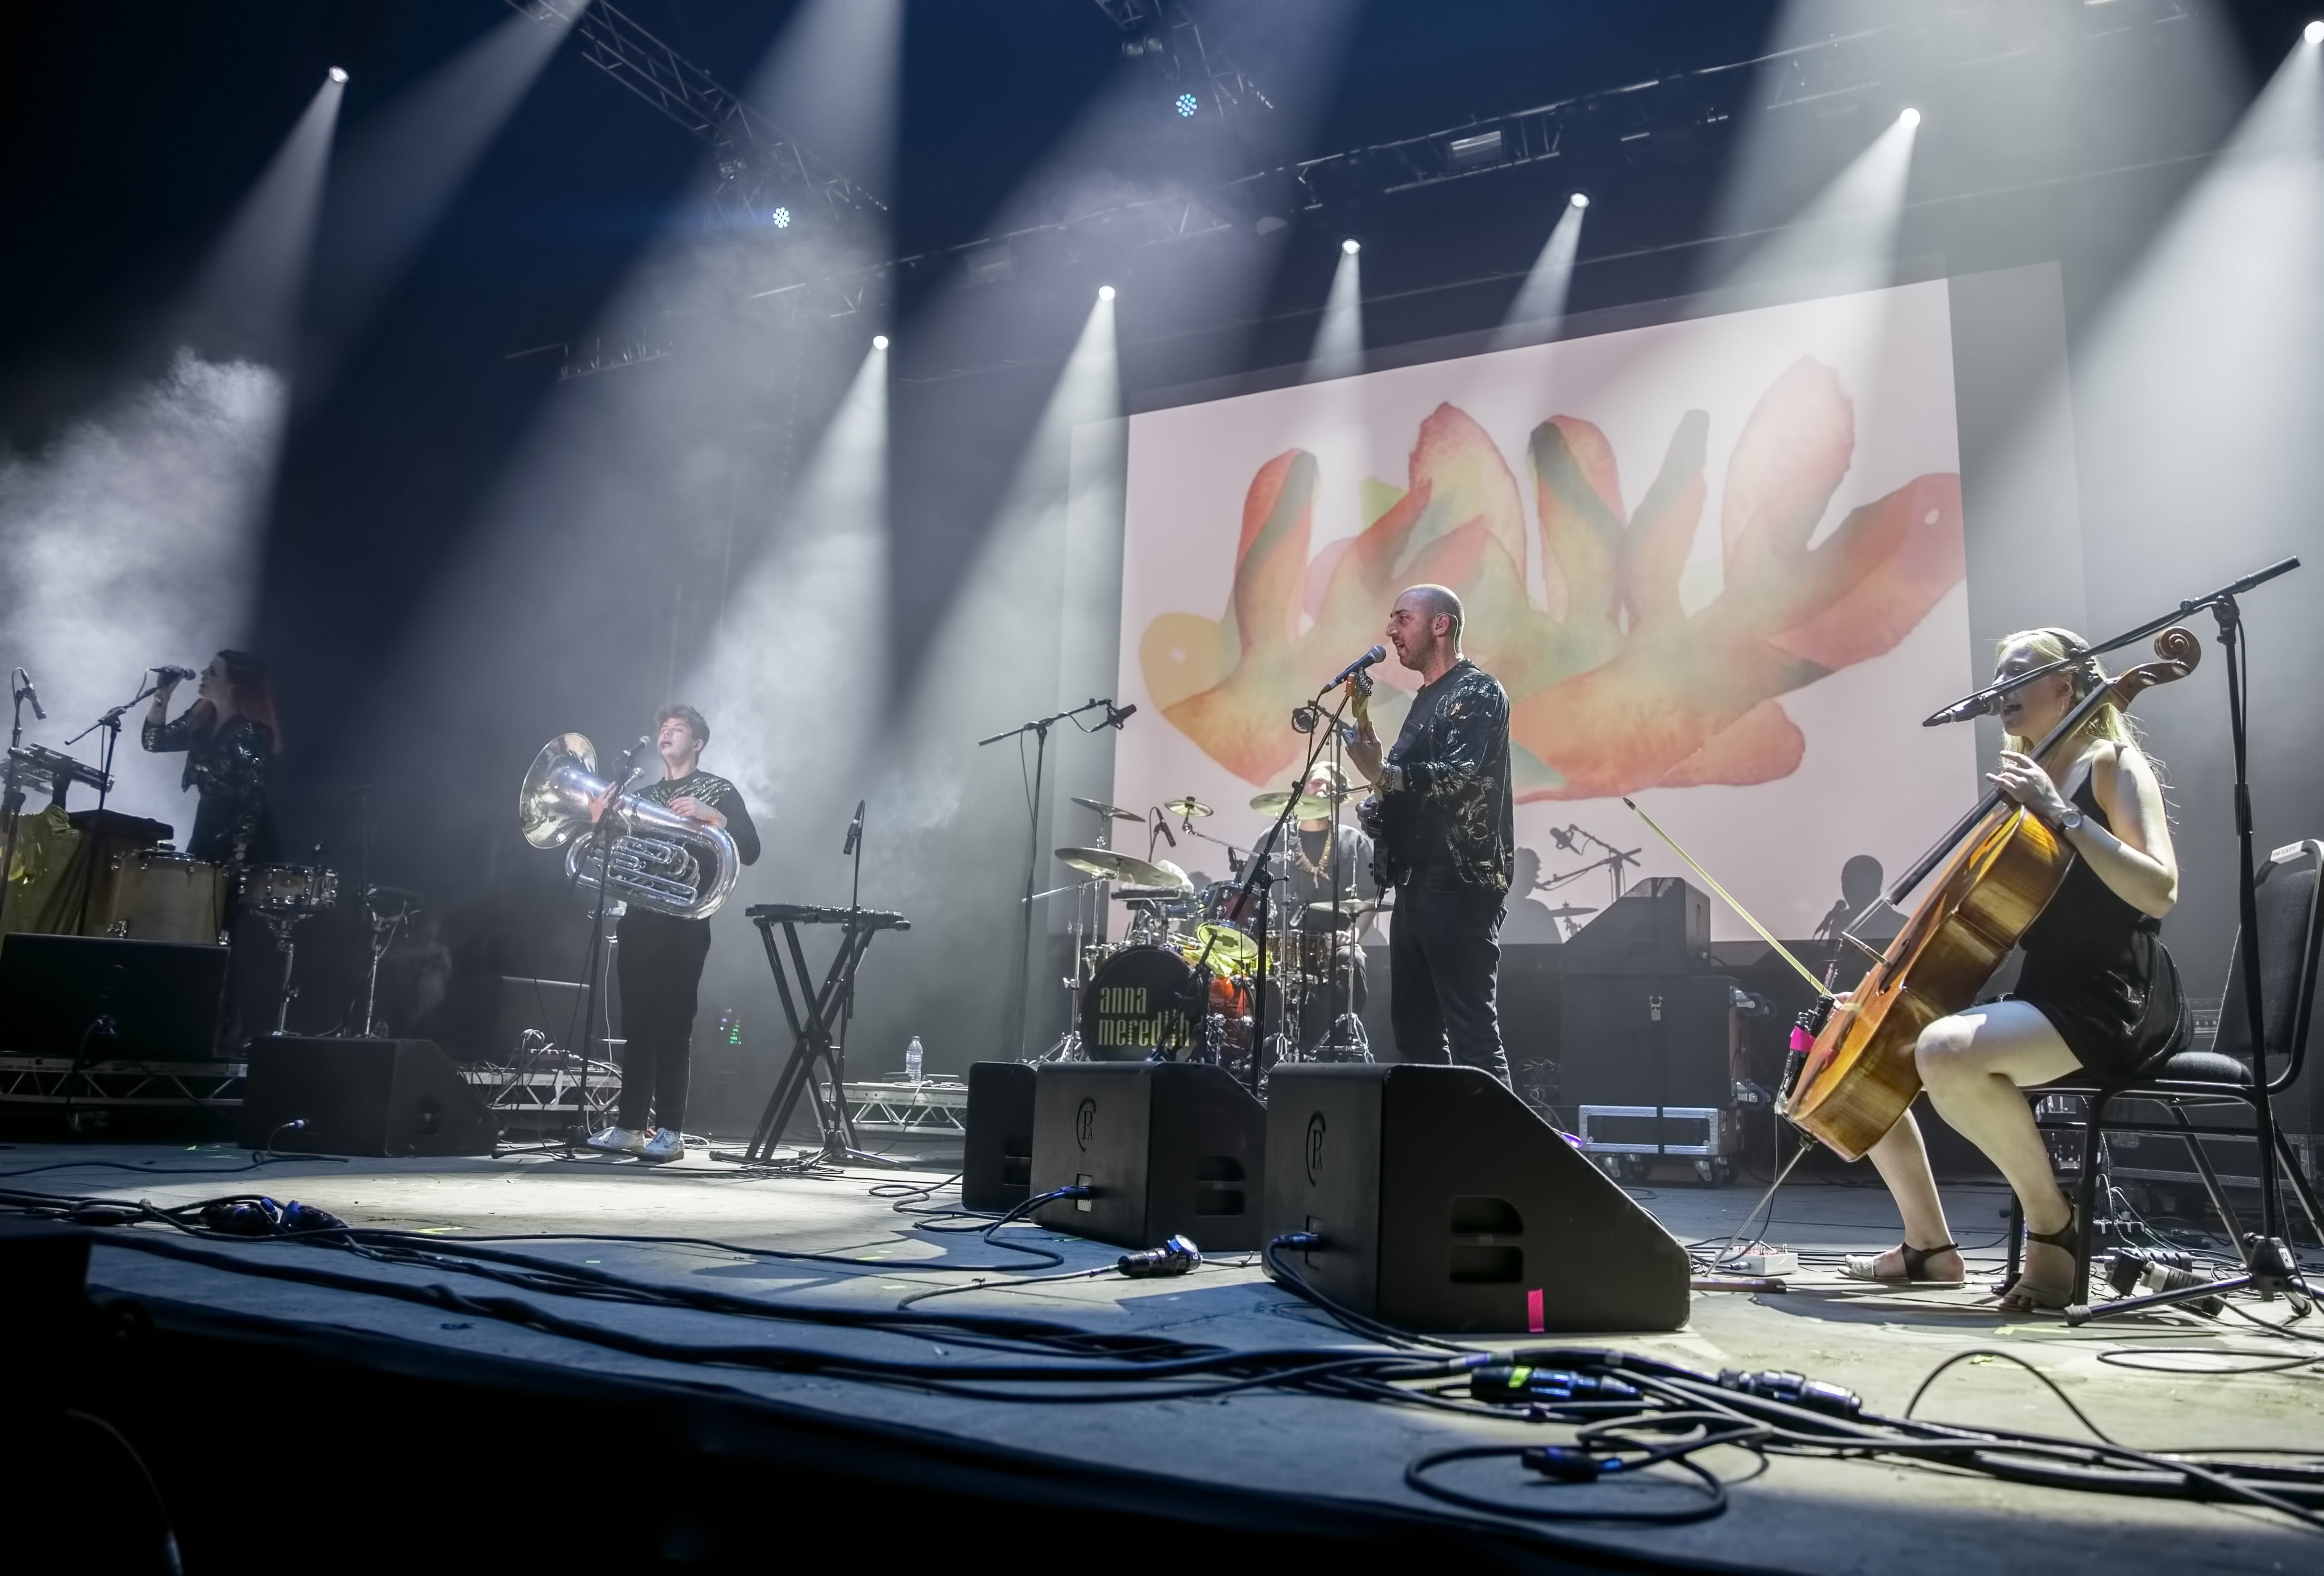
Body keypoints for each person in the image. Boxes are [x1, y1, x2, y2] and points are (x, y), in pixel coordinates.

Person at [1845, 628, 2185, 1312]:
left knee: (1944, 1051)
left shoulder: (2107, 764)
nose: (2000, 689)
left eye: (2020, 674)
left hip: (2111, 997)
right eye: (1997, 675)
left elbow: (2159, 890)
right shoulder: (2027, 785)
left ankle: (2054, 1227)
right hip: (2047, 994)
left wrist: (2061, 814)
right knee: (1859, 1044)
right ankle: (1928, 1246)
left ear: (2067, 686)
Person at [1343, 585, 1514, 1082]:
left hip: (1458, 882)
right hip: (1416, 882)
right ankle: (1441, 1144)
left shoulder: (1478, 691)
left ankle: (1500, 1156)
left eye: (1402, 618)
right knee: (1415, 1033)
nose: (1390, 630)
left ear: (1440, 625)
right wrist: (1378, 803)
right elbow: (1403, 787)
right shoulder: (1426, 701)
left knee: (1472, 1035)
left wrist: (1386, 777)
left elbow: (1462, 775)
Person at [587, 703, 761, 1162]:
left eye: (677, 729)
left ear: (697, 743)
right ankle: (629, 1126)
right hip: (640, 919)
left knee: (672, 1026)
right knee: (637, 1027)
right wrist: (600, 819)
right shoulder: (641, 794)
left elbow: (752, 846)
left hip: (685, 921)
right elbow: (618, 851)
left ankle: (670, 1130)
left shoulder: (718, 789)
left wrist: (714, 816)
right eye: (663, 728)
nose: (666, 734)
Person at [142, 651, 283, 869]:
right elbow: (154, 743)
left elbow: (252, 798)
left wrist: (239, 852)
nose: (203, 673)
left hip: (242, 836)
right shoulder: (201, 717)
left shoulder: (253, 732)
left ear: (234, 685)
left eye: (213, 672)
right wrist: (162, 697)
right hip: (207, 824)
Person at [1281, 762, 1378, 1050]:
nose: (1323, 790)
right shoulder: (1279, 839)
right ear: (1303, 788)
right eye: (1317, 783)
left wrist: (1355, 933)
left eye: (1331, 788)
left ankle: (1342, 1046)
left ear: (1340, 798)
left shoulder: (1354, 842)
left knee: (1354, 960)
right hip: (1285, 945)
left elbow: (1372, 897)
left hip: (1335, 944)